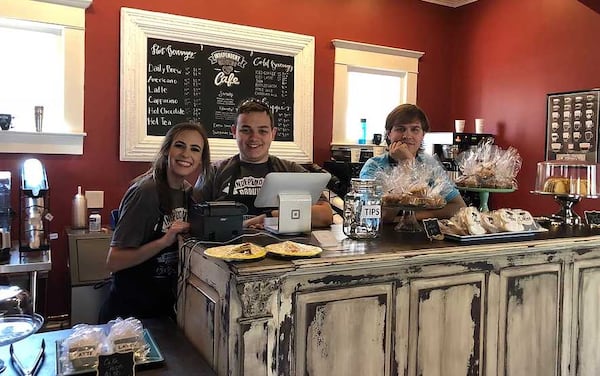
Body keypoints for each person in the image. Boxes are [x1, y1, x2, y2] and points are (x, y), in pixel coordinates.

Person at [99, 121, 211, 323]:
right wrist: (163, 242)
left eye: (195, 149)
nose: (186, 154)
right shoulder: (146, 192)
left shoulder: (188, 192)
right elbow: (114, 261)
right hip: (129, 314)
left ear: (201, 159)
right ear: (167, 149)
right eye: (180, 145)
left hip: (162, 310)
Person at [194, 98, 333, 228]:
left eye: (262, 131)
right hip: (226, 250)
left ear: (273, 134)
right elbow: (194, 218)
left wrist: (270, 217)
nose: (254, 138)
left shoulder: (291, 170)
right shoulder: (214, 171)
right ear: (234, 132)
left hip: (282, 250)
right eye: (245, 130)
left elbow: (325, 215)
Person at [360, 103, 466, 221]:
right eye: (400, 129)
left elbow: (458, 207)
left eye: (415, 129)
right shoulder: (374, 167)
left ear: (423, 135)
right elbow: (382, 216)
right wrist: (406, 163)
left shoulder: (429, 164)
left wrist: (412, 218)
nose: (407, 135)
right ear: (389, 134)